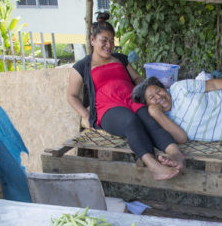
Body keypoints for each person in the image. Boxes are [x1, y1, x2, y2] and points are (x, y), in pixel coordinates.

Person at [66, 18, 184, 180]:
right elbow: (71, 95)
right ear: (92, 40)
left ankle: (175, 154)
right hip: (108, 109)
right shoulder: (82, 66)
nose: (109, 45)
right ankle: (152, 165)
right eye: (104, 40)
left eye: (112, 41)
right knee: (131, 121)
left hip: (132, 101)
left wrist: (145, 94)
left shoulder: (120, 59)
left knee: (150, 121)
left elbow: (137, 78)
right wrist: (85, 115)